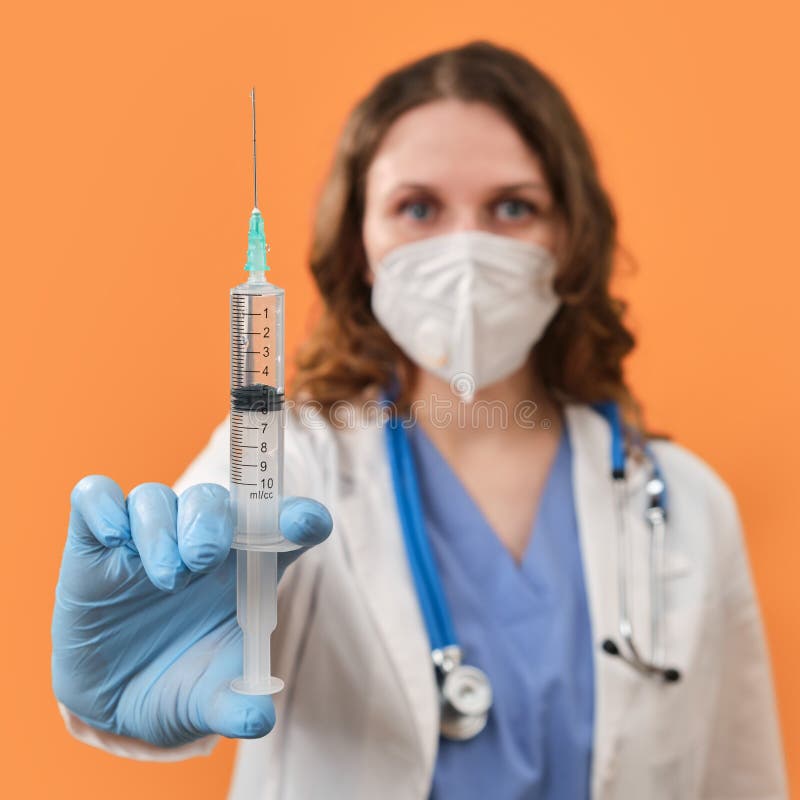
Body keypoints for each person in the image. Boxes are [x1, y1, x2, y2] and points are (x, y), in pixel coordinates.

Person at [51, 40, 788, 799]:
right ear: (361, 246)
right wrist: (125, 673)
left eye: (513, 207)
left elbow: (744, 779)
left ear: (569, 239)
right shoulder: (288, 464)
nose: (464, 251)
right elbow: (182, 611)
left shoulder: (688, 507)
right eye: (418, 208)